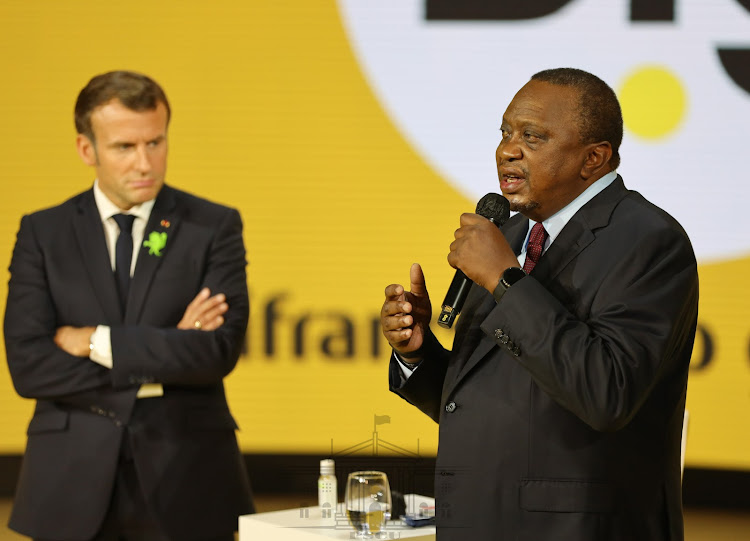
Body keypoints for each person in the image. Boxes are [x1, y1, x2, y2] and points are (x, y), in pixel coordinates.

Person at [381, 68, 698, 540]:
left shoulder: (649, 240)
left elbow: (606, 392)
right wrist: (416, 354)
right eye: (506, 133)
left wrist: (504, 280)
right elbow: (486, 403)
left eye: (532, 136)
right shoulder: (511, 235)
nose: (508, 149)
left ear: (594, 158)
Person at [4, 70, 253, 541]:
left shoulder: (213, 225)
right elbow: (29, 366)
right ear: (86, 149)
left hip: (188, 475)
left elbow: (216, 352)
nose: (145, 163)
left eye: (155, 142)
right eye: (124, 147)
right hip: (67, 478)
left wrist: (95, 341)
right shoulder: (44, 233)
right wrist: (167, 348)